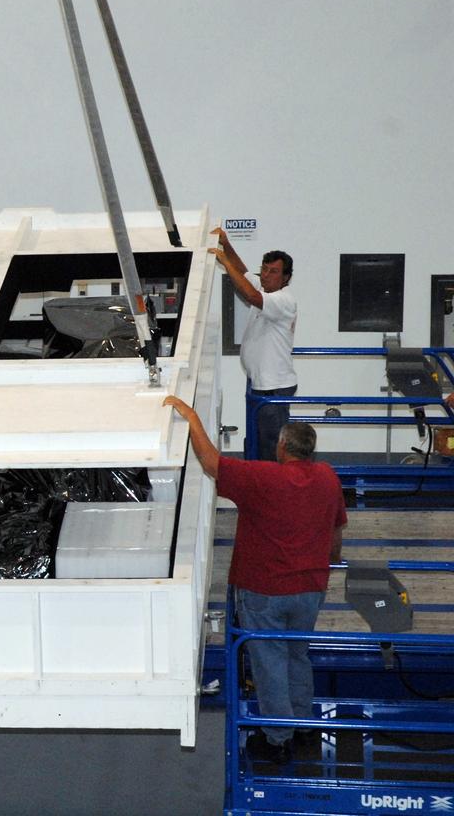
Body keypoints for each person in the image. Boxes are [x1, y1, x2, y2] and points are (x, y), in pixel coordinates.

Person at [164, 395, 346, 765]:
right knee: (298, 656)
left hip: (264, 590)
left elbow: (212, 463)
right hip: (310, 589)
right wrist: (328, 561)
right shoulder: (328, 477)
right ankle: (304, 724)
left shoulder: (262, 479)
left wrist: (192, 417)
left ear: (282, 447)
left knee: (270, 663)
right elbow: (337, 532)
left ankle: (277, 739)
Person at [210, 227, 297, 461]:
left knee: (271, 446)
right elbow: (243, 272)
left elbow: (250, 295)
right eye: (265, 270)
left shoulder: (282, 300)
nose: (267, 275)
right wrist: (226, 245)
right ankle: (262, 486)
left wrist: (223, 261)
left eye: (274, 272)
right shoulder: (264, 289)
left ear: (286, 277)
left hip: (274, 388)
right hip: (261, 385)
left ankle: (272, 491)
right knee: (258, 442)